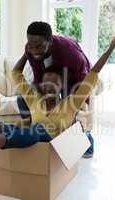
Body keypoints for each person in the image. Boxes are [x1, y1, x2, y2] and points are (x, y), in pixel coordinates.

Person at [0, 33, 115, 159]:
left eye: (54, 83)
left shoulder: (71, 103)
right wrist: (28, 51)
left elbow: (93, 73)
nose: (49, 86)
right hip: (29, 137)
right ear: (41, 86)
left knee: (36, 131)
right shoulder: (34, 98)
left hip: (52, 140)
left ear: (61, 87)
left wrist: (111, 46)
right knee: (10, 127)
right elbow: (16, 73)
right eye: (46, 83)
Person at [18, 21, 94, 157]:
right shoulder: (30, 50)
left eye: (39, 46)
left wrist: (82, 99)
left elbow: (82, 73)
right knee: (23, 99)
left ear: (50, 41)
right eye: (31, 45)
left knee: (68, 113)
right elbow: (37, 73)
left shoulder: (67, 50)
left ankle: (86, 140)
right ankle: (37, 131)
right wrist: (39, 95)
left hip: (75, 77)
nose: (34, 50)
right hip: (53, 77)